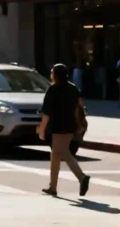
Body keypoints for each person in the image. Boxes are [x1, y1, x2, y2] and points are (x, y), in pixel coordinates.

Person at [38, 62, 90, 198]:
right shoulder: (73, 89)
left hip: (57, 127)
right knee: (56, 155)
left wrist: (42, 130)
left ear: (55, 75)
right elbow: (80, 108)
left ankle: (82, 177)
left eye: (51, 72)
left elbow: (46, 113)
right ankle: (52, 187)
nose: (50, 75)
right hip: (71, 126)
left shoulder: (53, 89)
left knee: (63, 153)